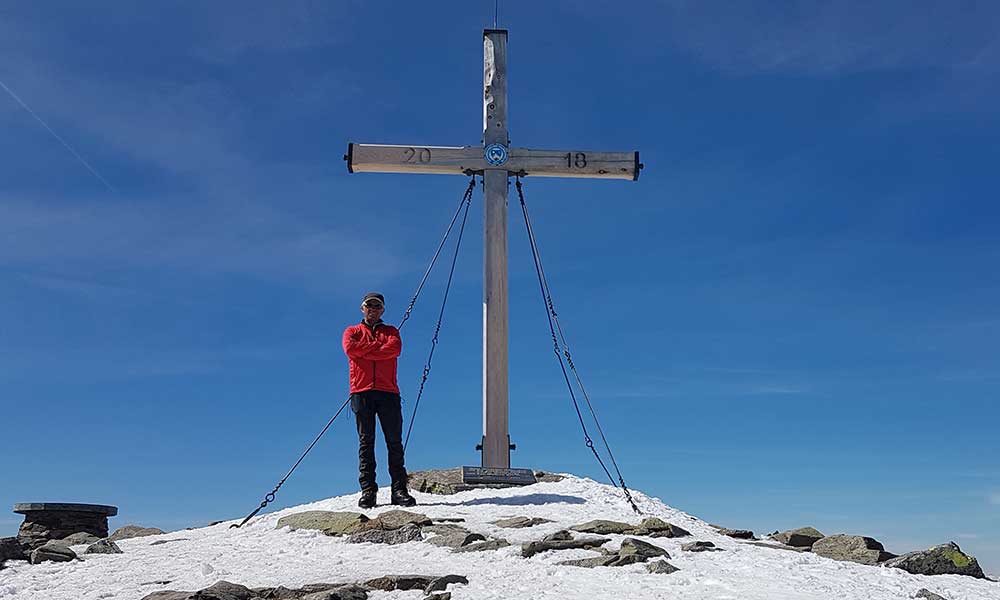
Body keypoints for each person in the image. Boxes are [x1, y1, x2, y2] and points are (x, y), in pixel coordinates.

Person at [342, 292, 416, 509]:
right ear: (362, 308)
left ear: (382, 310)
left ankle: (399, 489)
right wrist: (377, 349)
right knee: (366, 442)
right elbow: (350, 349)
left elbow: (394, 349)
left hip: (388, 392)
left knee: (394, 442)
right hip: (361, 391)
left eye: (377, 307)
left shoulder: (392, 331)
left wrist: (364, 352)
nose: (373, 310)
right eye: (369, 306)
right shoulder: (352, 331)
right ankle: (368, 491)